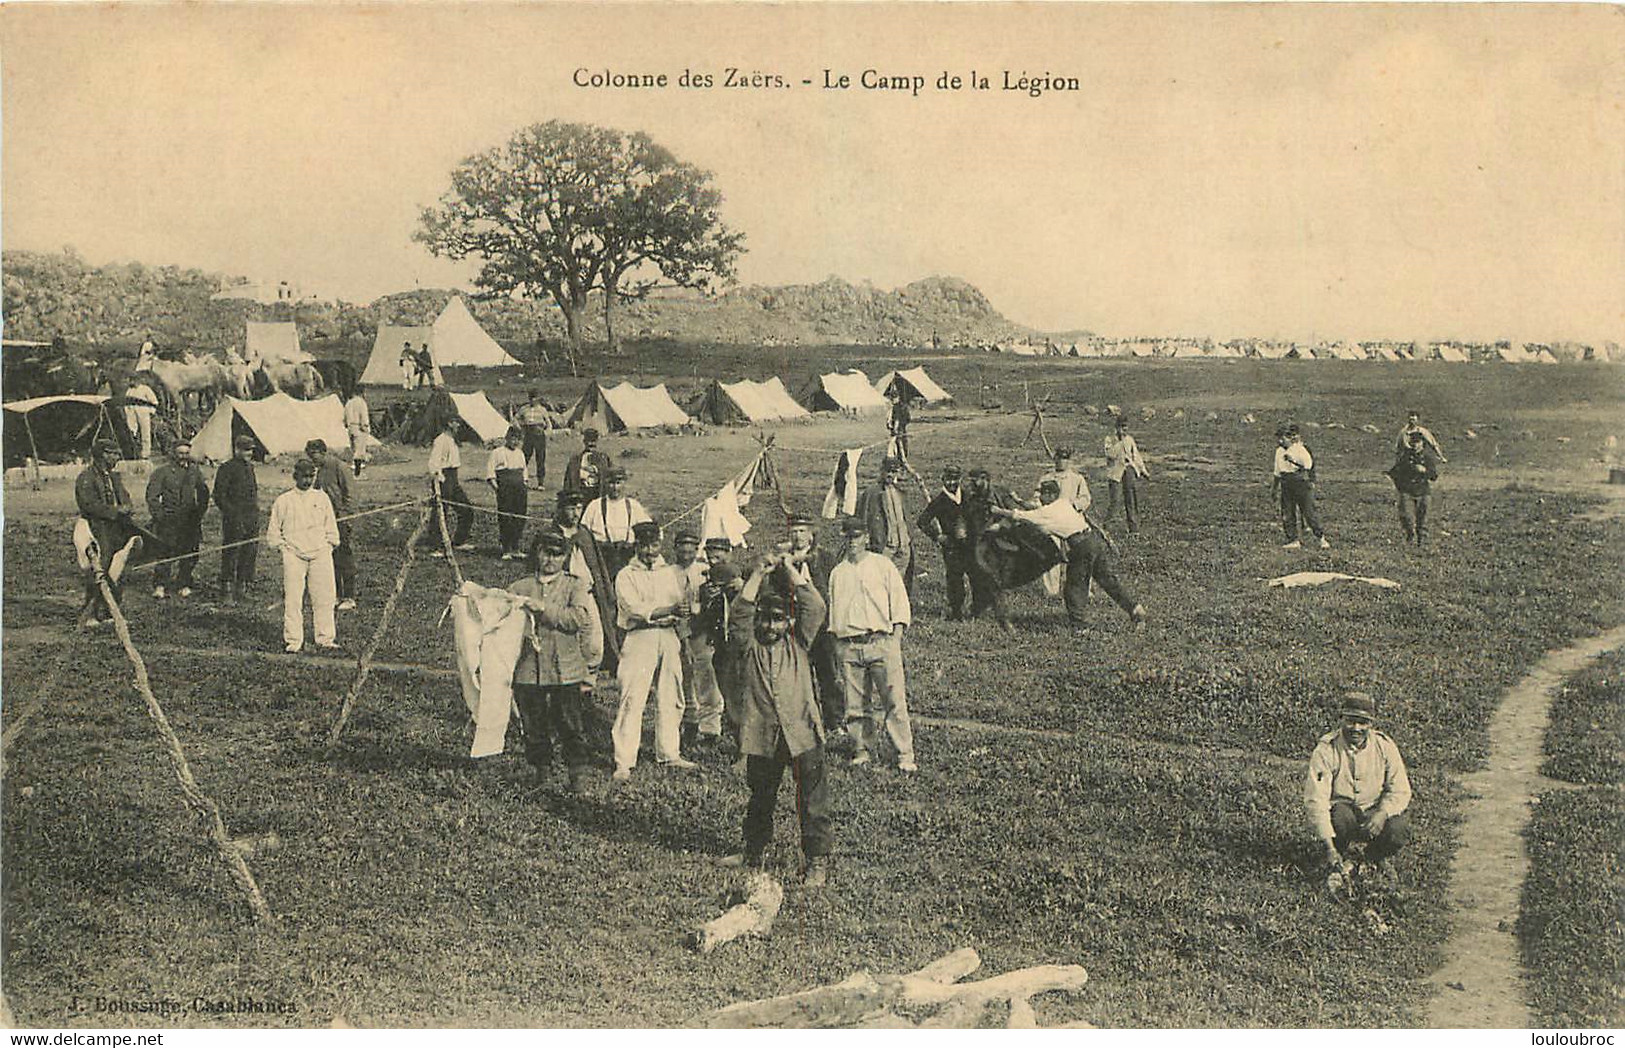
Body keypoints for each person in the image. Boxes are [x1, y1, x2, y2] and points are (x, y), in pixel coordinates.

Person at [721, 554, 833, 885]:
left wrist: (787, 567)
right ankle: (753, 851)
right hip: (763, 735)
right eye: (765, 620)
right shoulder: (749, 645)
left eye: (777, 620)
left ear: (789, 623)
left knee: (812, 799)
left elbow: (815, 606)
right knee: (761, 795)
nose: (770, 626)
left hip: (802, 731)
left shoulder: (799, 643)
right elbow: (740, 613)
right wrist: (757, 573)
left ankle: (816, 860)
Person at [508, 524, 603, 795]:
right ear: (536, 554)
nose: (550, 560)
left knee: (570, 724)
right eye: (545, 553)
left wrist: (543, 609)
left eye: (556, 554)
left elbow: (577, 619)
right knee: (534, 725)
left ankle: (578, 776)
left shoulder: (575, 586)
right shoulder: (520, 586)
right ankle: (542, 774)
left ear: (565, 557)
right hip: (529, 668)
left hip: (565, 669)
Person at [991, 478, 1147, 628]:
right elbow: (1037, 511)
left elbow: (1022, 516)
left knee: (1074, 586)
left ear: (1051, 495)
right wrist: (1019, 501)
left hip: (1081, 547)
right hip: (1093, 541)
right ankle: (1135, 608)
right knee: (1107, 579)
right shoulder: (1063, 504)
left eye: (1042, 494)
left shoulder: (1048, 511)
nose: (1040, 498)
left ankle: (1080, 626)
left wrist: (998, 510)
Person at [827, 516, 916, 772]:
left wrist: (895, 639)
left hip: (881, 641)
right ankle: (861, 749)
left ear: (866, 537)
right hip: (850, 645)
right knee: (855, 704)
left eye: (856, 536)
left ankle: (904, 754)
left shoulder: (882, 566)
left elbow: (899, 604)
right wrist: (839, 646)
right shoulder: (838, 573)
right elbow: (835, 614)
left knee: (894, 700)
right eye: (848, 537)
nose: (852, 542)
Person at [610, 520, 694, 780]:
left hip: (668, 636)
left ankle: (669, 752)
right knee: (632, 697)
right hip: (639, 637)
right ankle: (624, 761)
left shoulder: (670, 572)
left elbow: (682, 606)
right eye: (644, 546)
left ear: (660, 544)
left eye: (654, 545)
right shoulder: (626, 575)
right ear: (636, 545)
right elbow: (634, 609)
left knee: (672, 694)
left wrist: (683, 633)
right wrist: (667, 610)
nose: (649, 551)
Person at [1304, 692, 1412, 881]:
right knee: (1339, 817)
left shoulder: (1384, 746)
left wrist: (1382, 813)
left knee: (1398, 828)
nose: (1356, 728)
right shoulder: (1326, 749)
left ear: (1371, 724)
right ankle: (1338, 856)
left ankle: (1376, 857)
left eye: (1363, 723)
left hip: (1374, 810)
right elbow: (1316, 799)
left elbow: (1400, 790)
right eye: (1350, 721)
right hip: (1344, 812)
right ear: (1341, 719)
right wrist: (1328, 846)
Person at [265, 458, 340, 654]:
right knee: (293, 598)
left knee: (324, 597)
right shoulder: (284, 500)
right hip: (294, 554)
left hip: (320, 553)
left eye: (311, 477)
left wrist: (328, 546)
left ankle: (325, 638)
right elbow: (273, 533)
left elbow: (331, 528)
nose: (307, 481)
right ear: (295, 476)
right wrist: (285, 548)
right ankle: (294, 640)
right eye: (303, 477)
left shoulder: (322, 498)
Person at [75, 439, 143, 627]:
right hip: (96, 526)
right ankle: (90, 610)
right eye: (112, 453)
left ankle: (110, 610)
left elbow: (124, 497)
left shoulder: (114, 477)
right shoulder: (86, 477)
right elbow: (88, 505)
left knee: (119, 567)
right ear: (102, 455)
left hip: (117, 527)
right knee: (100, 567)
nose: (116, 457)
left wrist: (127, 507)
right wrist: (114, 511)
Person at [785, 511, 842, 731]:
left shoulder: (825, 558)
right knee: (800, 674)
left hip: (824, 625)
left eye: (802, 531)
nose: (798, 536)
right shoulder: (784, 560)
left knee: (828, 673)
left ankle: (834, 720)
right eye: (794, 531)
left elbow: (834, 589)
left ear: (811, 535)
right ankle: (805, 718)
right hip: (796, 624)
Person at [672, 528, 724, 753]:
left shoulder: (704, 571)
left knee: (706, 679)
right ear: (675, 549)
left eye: (691, 549)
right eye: (682, 548)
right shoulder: (667, 572)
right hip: (675, 631)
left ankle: (711, 730)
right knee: (683, 679)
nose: (687, 553)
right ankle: (689, 724)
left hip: (701, 631)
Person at [145, 441, 209, 600]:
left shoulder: (194, 472)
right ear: (173, 454)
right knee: (165, 552)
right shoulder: (162, 472)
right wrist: (160, 516)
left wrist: (199, 512)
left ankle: (184, 582)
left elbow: (203, 493)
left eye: (186, 453)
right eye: (180, 453)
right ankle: (160, 585)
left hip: (189, 520)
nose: (184, 457)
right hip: (169, 519)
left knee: (190, 552)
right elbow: (152, 497)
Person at [917, 464, 975, 620]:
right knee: (955, 579)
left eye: (955, 479)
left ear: (960, 479)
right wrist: (938, 536)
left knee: (976, 576)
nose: (951, 483)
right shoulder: (940, 501)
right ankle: (957, 612)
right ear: (943, 480)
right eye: (948, 479)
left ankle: (976, 610)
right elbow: (922, 521)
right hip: (951, 547)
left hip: (970, 545)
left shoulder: (967, 495)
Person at [306, 439, 358, 610]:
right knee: (330, 558)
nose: (313, 459)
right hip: (326, 522)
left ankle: (349, 597)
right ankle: (336, 594)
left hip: (341, 520)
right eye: (310, 455)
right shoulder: (319, 471)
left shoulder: (339, 467)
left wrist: (347, 517)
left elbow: (350, 495)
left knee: (344, 557)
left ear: (323, 452)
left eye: (314, 455)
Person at [580, 466, 650, 583]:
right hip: (602, 558)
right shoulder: (594, 506)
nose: (615, 487)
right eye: (611, 483)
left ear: (624, 484)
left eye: (618, 483)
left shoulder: (633, 506)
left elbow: (650, 531)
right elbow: (582, 532)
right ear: (605, 484)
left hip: (627, 557)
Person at [859, 456, 915, 600]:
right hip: (884, 547)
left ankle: (897, 614)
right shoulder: (871, 493)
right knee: (879, 582)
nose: (890, 475)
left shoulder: (901, 493)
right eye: (887, 471)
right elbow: (862, 518)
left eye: (894, 472)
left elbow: (905, 519)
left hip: (903, 546)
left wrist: (907, 541)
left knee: (898, 583)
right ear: (881, 471)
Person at [214, 435, 260, 604]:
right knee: (231, 552)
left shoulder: (250, 468)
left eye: (251, 450)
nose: (249, 453)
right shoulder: (226, 468)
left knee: (249, 552)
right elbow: (219, 495)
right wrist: (232, 515)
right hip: (233, 518)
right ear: (236, 449)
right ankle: (226, 589)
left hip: (251, 518)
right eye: (245, 450)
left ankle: (242, 587)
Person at [1272, 424, 1329, 550]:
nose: (1280, 441)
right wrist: (1274, 489)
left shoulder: (1300, 450)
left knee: (1309, 512)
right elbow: (1277, 472)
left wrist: (1293, 461)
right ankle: (1293, 540)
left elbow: (1308, 466)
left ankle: (1321, 538)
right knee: (1287, 512)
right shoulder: (1279, 451)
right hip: (1286, 483)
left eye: (1282, 438)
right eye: (1279, 438)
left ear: (1289, 438)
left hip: (1301, 483)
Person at [428, 416, 474, 552]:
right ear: (449, 423)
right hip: (443, 478)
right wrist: (439, 479)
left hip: (453, 478)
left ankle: (459, 541)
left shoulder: (453, 440)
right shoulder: (441, 440)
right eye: (456, 423)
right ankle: (436, 547)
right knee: (441, 513)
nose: (458, 425)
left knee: (467, 510)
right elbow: (433, 462)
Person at [1388, 430, 1441, 547]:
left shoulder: (1427, 458)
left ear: (1422, 443)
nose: (1415, 445)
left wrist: (1425, 471)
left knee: (1423, 518)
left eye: (1417, 442)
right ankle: (1410, 536)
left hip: (1423, 492)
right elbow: (1394, 473)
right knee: (1407, 517)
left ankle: (1422, 543)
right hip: (1407, 492)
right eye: (1412, 442)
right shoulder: (1405, 457)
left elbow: (1434, 476)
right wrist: (1401, 487)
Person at [486, 427, 531, 561]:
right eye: (512, 438)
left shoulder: (520, 453)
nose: (515, 442)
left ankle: (516, 548)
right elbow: (490, 472)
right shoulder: (497, 452)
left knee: (520, 516)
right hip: (505, 487)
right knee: (506, 517)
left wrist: (525, 484)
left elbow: (524, 471)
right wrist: (497, 488)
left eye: (518, 439)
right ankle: (506, 549)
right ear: (507, 438)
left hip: (519, 488)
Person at [1103, 417, 1148, 533]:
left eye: (1126, 427)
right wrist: (1119, 442)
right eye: (1122, 427)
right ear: (1116, 428)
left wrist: (1143, 470)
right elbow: (1110, 454)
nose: (1124, 429)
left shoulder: (1130, 440)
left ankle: (1133, 528)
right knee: (1115, 500)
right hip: (1115, 472)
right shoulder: (1110, 440)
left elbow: (1136, 456)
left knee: (1131, 499)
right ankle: (1107, 528)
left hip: (1128, 470)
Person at [563, 427, 613, 502]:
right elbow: (568, 482)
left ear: (597, 441)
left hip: (598, 494)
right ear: (584, 441)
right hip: (581, 494)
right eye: (588, 441)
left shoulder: (604, 459)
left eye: (593, 441)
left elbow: (610, 478)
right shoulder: (575, 461)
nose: (591, 443)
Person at [1037, 447, 1091, 513]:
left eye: (1065, 459)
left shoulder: (1077, 478)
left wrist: (1073, 506)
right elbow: (1037, 497)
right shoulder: (1046, 478)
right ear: (1055, 459)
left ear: (1069, 461)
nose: (1061, 461)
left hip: (1070, 514)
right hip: (1050, 513)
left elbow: (1085, 498)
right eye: (1059, 458)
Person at [517, 390, 553, 488]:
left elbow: (549, 423)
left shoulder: (542, 410)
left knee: (540, 458)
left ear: (537, 399)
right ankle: (521, 480)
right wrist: (520, 428)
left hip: (539, 435)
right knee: (524, 458)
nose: (532, 400)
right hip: (528, 435)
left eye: (534, 398)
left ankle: (540, 483)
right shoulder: (524, 409)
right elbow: (516, 419)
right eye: (530, 398)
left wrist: (546, 433)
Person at [123, 379, 158, 460]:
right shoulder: (129, 390)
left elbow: (154, 401)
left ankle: (146, 453)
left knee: (145, 431)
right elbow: (126, 401)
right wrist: (127, 411)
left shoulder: (145, 389)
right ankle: (134, 451)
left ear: (136, 380)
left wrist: (151, 412)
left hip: (143, 412)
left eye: (131, 380)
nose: (130, 382)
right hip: (132, 412)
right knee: (132, 431)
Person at [343, 389, 372, 477]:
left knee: (354, 449)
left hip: (351, 427)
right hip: (359, 426)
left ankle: (355, 471)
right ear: (362, 393)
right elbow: (364, 416)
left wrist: (347, 425)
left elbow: (344, 417)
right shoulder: (361, 402)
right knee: (360, 450)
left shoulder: (348, 403)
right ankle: (358, 473)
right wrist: (365, 427)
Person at [888, 391, 913, 462]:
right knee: (903, 443)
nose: (892, 400)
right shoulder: (903, 406)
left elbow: (897, 419)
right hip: (903, 427)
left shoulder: (897, 407)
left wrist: (895, 429)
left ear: (897, 398)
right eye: (891, 399)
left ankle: (901, 460)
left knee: (899, 444)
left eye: (893, 398)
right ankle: (903, 458)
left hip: (898, 429)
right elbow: (908, 419)